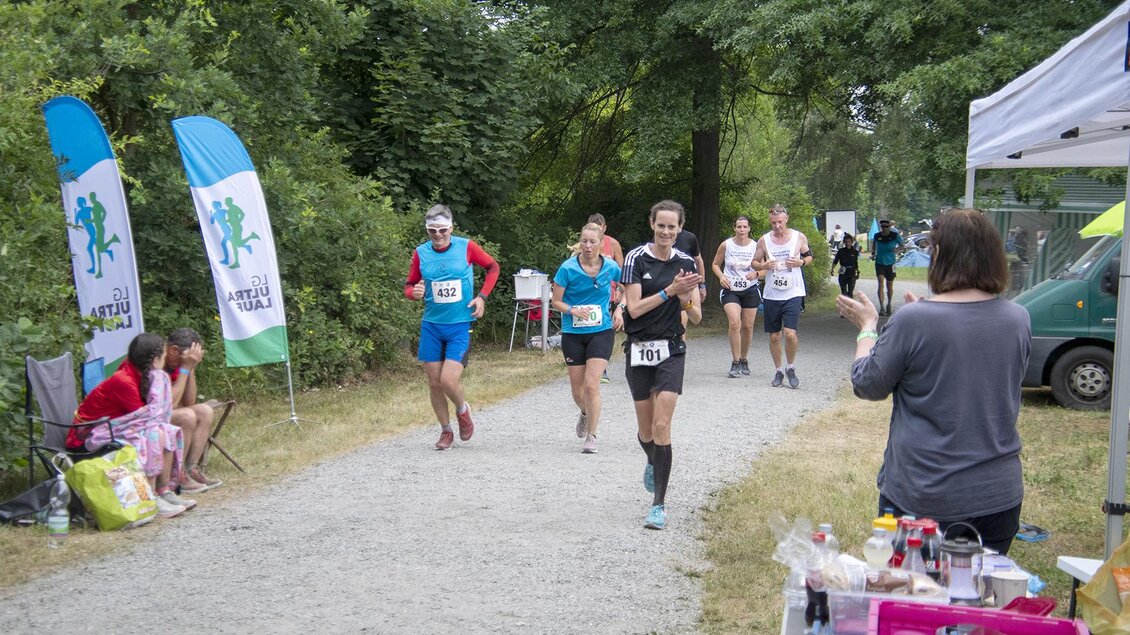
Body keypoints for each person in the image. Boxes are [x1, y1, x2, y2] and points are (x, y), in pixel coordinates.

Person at [836, 208, 1031, 554]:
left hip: (926, 497)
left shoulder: (915, 320)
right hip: (998, 497)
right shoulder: (1019, 318)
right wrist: (925, 316)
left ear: (941, 254)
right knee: (977, 604)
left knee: (918, 601)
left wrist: (868, 328)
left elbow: (867, 384)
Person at [621, 199, 703, 530]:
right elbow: (635, 309)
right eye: (661, 225)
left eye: (672, 226)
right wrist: (670, 291)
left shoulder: (685, 262)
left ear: (680, 229)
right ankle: (653, 460)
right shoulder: (635, 259)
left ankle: (659, 506)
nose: (666, 231)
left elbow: (695, 316)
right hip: (639, 348)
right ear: (652, 224)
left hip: (671, 348)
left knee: (660, 426)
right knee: (645, 431)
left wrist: (685, 296)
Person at [405, 204, 501, 450]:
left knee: (448, 380)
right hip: (432, 325)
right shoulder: (421, 253)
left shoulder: (466, 247)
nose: (437, 236)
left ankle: (462, 410)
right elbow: (409, 285)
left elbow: (493, 267)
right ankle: (446, 431)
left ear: (451, 227)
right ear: (427, 230)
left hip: (459, 324)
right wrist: (413, 293)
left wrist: (482, 297)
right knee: (434, 382)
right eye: (432, 231)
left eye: (442, 230)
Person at [70, 333, 196, 518]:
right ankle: (150, 497)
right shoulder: (124, 380)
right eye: (163, 356)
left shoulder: (142, 374)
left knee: (166, 430)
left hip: (113, 426)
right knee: (156, 433)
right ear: (155, 360)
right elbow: (145, 419)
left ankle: (164, 491)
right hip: (88, 436)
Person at [551, 222, 624, 454]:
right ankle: (584, 412)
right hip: (573, 333)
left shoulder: (611, 267)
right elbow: (556, 301)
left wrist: (620, 307)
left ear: (601, 243)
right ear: (579, 242)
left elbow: (630, 288)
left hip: (601, 330)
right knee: (577, 390)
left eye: (592, 242)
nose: (588, 246)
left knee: (592, 384)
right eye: (584, 241)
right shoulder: (567, 268)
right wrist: (572, 310)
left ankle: (592, 435)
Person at [752, 204, 813, 389]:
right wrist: (764, 266)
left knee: (790, 333)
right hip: (772, 293)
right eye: (773, 223)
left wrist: (801, 262)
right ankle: (778, 371)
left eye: (779, 222)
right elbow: (754, 263)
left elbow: (809, 257)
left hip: (793, 291)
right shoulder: (764, 240)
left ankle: (791, 367)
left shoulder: (798, 237)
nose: (777, 226)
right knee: (774, 336)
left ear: (786, 219)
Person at [164, 328, 223, 492]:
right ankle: (178, 475)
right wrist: (184, 367)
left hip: (162, 411)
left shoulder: (178, 363)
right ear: (173, 350)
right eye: (185, 358)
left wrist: (190, 369)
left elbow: (189, 400)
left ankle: (191, 469)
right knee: (187, 415)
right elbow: (169, 405)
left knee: (205, 411)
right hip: (143, 415)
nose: (186, 361)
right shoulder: (157, 362)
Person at [711, 215, 761, 377]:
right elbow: (715, 264)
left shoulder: (756, 246)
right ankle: (735, 362)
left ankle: (744, 359)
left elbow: (766, 268)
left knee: (747, 326)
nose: (742, 230)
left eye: (744, 227)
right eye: (739, 227)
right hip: (730, 289)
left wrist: (758, 273)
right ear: (734, 228)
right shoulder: (726, 245)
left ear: (749, 228)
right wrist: (721, 277)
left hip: (750, 290)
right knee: (734, 322)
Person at [587, 213, 625, 384]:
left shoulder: (613, 244)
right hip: (586, 294)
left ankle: (602, 367)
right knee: (587, 327)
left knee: (604, 327)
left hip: (607, 292)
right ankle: (588, 362)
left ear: (604, 228)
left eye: (599, 228)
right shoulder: (585, 244)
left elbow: (622, 269)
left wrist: (618, 288)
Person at [870, 219, 904, 316]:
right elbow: (874, 246)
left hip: (891, 263)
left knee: (889, 286)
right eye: (882, 227)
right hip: (880, 262)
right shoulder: (877, 236)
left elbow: (903, 245)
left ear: (889, 227)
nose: (884, 228)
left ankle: (889, 304)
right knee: (880, 283)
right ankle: (881, 307)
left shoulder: (895, 235)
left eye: (886, 227)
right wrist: (873, 253)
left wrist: (897, 249)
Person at [830, 234, 861, 298]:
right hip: (843, 272)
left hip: (852, 273)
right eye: (846, 242)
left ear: (852, 242)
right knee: (844, 291)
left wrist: (857, 272)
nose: (847, 243)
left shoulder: (854, 252)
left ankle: (850, 306)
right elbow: (836, 261)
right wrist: (832, 269)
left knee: (850, 292)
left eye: (849, 242)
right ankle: (845, 304)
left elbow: (856, 263)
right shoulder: (841, 251)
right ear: (844, 242)